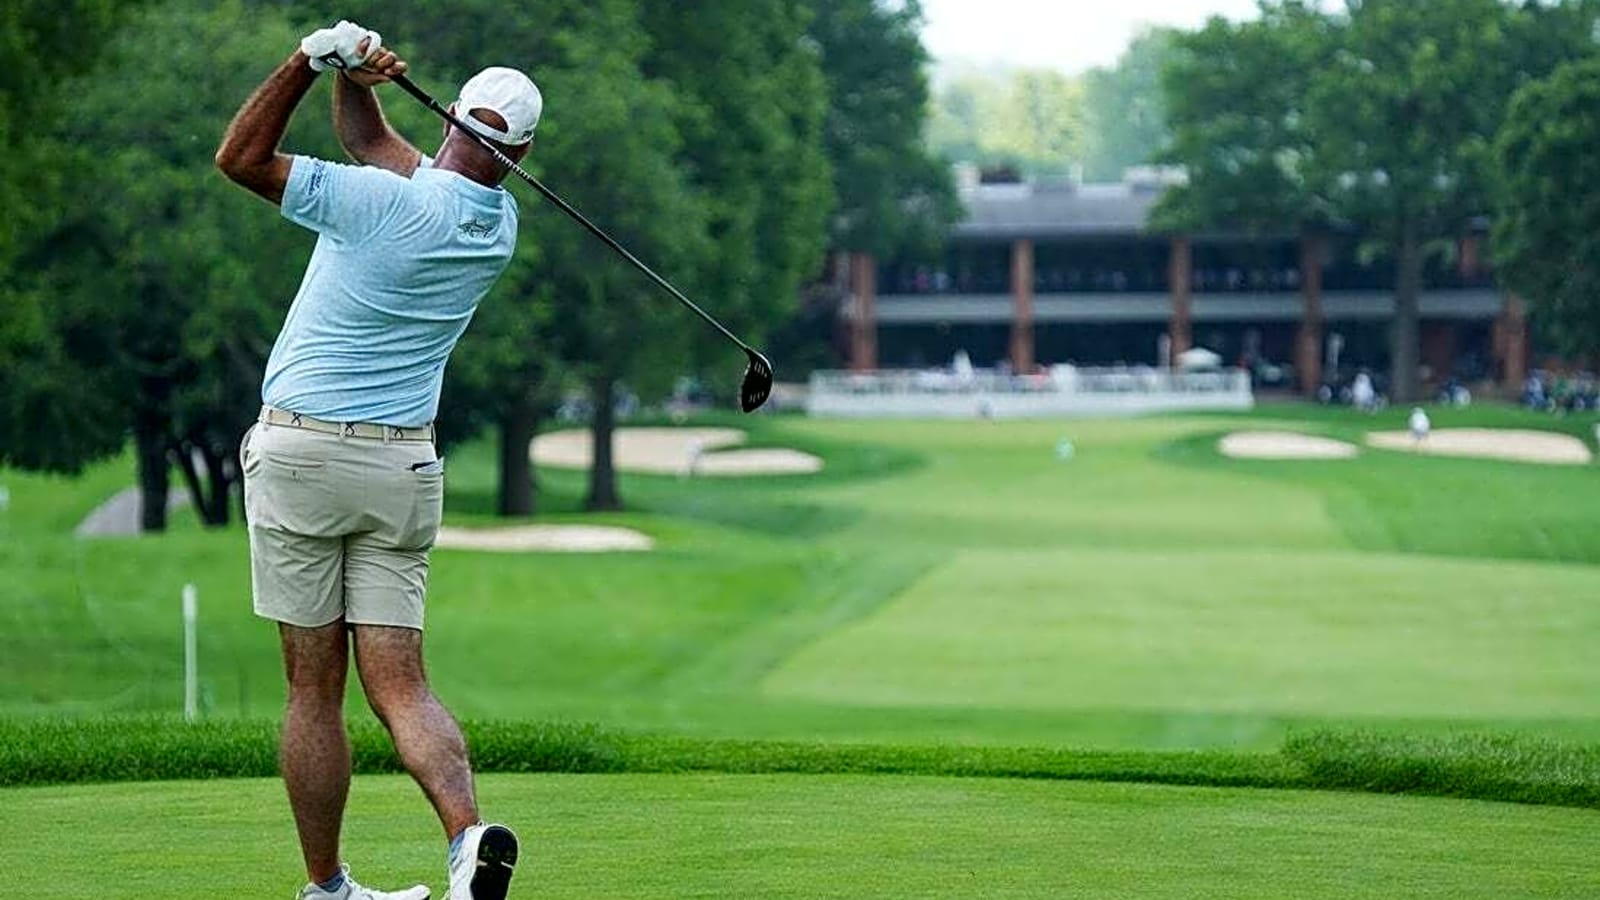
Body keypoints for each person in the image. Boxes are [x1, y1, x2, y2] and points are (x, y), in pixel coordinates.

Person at [215, 19, 540, 900]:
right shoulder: (493, 223)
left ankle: (326, 888)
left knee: (313, 692)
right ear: (518, 151)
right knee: (401, 681)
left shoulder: (378, 203)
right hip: (401, 472)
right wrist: (357, 79)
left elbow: (240, 159)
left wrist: (304, 60)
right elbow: (372, 142)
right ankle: (467, 837)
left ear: (452, 125)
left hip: (303, 456)